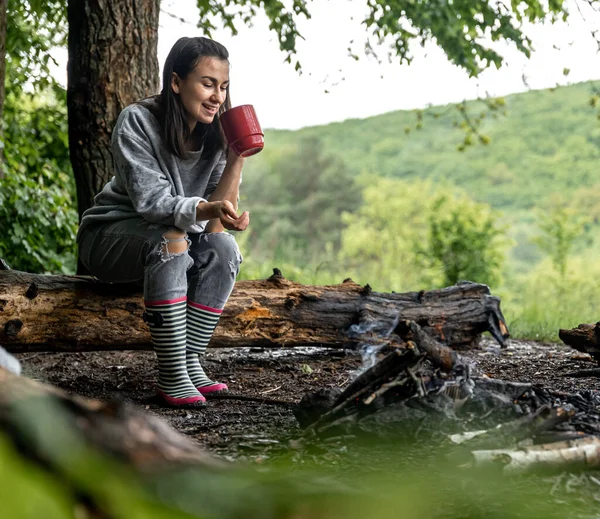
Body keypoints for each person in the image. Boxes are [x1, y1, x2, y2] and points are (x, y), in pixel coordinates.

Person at [77, 36, 249, 408]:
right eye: (207, 83)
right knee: (171, 238)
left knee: (224, 248)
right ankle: (172, 374)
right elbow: (152, 204)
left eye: (224, 87)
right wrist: (208, 209)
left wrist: (238, 155)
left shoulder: (216, 137)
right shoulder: (138, 121)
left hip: (174, 248)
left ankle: (190, 363)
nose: (218, 96)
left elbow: (215, 230)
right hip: (110, 239)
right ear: (176, 82)